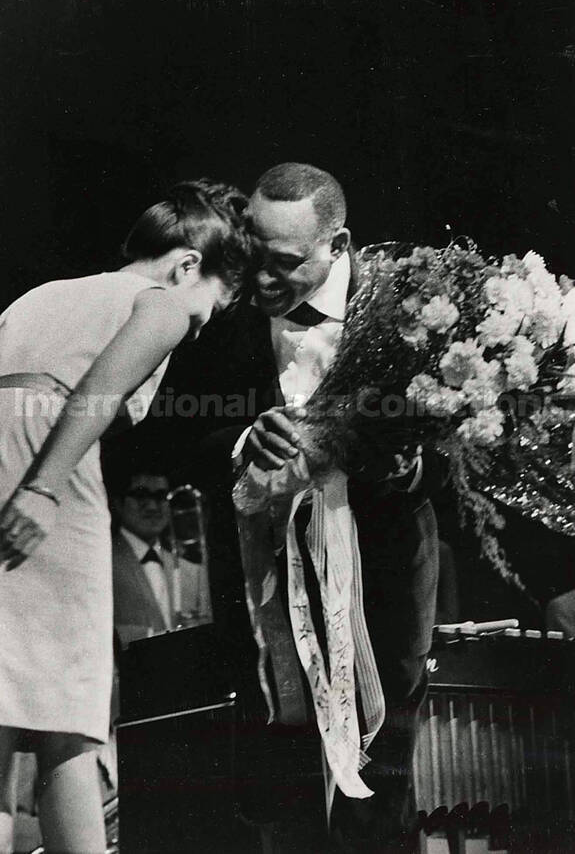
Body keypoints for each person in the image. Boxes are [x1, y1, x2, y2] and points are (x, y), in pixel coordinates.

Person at [156, 163, 440, 852]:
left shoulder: (410, 310)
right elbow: (165, 431)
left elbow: (461, 442)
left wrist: (406, 471)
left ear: (337, 245)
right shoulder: (217, 309)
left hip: (382, 585)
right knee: (278, 802)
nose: (259, 280)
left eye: (283, 264)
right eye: (253, 255)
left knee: (382, 787)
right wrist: (240, 441)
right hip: (260, 602)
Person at [0, 178, 252, 854]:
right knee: (69, 717)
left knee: (7, 701)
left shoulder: (41, 295)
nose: (194, 332)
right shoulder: (161, 302)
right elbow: (101, 390)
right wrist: (44, 487)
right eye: (207, 315)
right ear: (185, 266)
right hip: (47, 464)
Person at [111, 465, 212, 647]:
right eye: (140, 495)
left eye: (160, 496)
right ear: (118, 503)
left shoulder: (193, 571)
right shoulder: (101, 565)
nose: (151, 506)